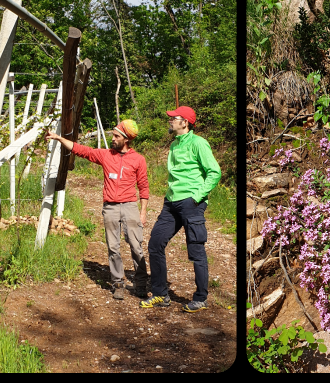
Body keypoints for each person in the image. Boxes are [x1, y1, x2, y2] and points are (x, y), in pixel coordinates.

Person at [46, 119, 149, 300]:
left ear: (126, 139)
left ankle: (141, 283)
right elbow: (81, 150)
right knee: (113, 247)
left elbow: (144, 187)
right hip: (110, 207)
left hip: (130, 207)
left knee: (136, 246)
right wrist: (58, 138)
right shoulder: (105, 155)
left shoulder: (138, 160)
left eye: (117, 136)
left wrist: (143, 212)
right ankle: (117, 283)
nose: (113, 138)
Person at [140, 106, 222, 313]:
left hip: (191, 202)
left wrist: (197, 196)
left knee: (196, 250)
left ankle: (201, 298)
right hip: (171, 202)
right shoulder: (175, 144)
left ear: (185, 122)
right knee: (155, 244)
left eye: (173, 118)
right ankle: (160, 294)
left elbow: (214, 172)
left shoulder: (198, 143)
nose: (170, 121)